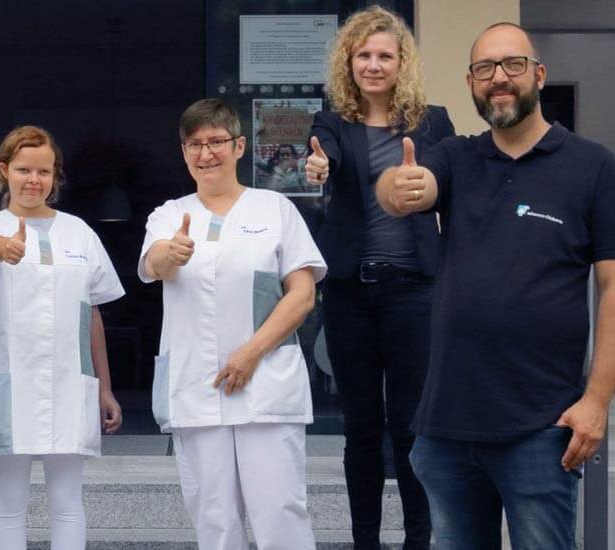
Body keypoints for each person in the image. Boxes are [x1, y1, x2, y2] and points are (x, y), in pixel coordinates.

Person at [376, 22, 615, 549]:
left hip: (541, 425)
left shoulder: (593, 167)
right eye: (485, 69)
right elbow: (406, 189)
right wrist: (399, 187)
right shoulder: (458, 158)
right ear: (470, 82)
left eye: (512, 65)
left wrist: (597, 401)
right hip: (446, 426)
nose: (499, 79)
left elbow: (612, 289)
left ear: (539, 74)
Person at [139, 98, 327, 550]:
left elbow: (302, 294)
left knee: (280, 514)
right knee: (214, 521)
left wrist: (249, 353)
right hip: (198, 391)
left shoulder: (274, 209)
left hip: (265, 388)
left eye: (216, 142)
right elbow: (155, 264)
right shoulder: (168, 215)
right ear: (183, 151)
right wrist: (173, 253)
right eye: (195, 144)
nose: (206, 154)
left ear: (240, 146)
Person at [302, 7, 455, 549]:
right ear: (349, 61)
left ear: (401, 63)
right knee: (361, 428)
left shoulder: (433, 121)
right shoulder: (331, 121)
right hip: (350, 292)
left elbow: (449, 188)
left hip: (414, 291)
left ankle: (420, 539)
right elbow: (327, 161)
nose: (373, 64)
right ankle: (364, 539)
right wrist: (318, 168)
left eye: (384, 55)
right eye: (363, 55)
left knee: (413, 425)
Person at [0, 125, 124, 550]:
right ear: (4, 171)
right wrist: (4, 249)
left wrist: (105, 388)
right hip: (11, 385)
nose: (34, 180)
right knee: (8, 504)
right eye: (24, 169)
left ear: (55, 176)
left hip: (70, 383)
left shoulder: (80, 233)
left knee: (68, 502)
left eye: (43, 171)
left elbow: (93, 313)